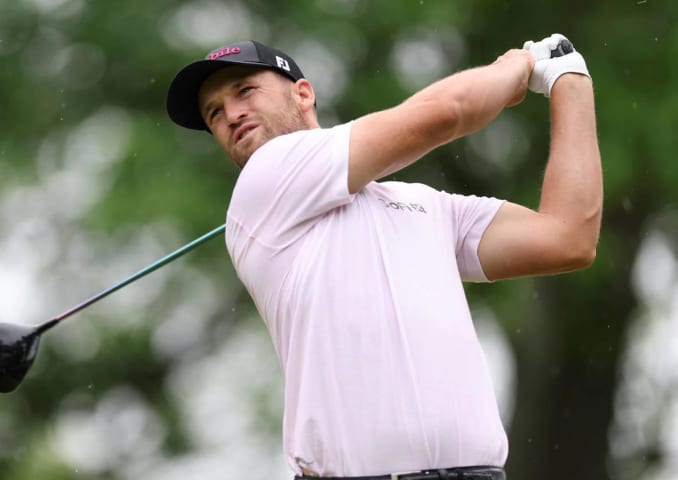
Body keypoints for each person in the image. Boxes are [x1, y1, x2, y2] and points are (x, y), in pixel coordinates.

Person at [166, 34, 601, 480]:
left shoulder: (425, 205)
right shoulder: (265, 179)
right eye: (214, 113)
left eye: (245, 91)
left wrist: (569, 79)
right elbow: (446, 113)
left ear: (303, 94)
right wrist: (517, 64)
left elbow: (568, 238)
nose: (231, 115)